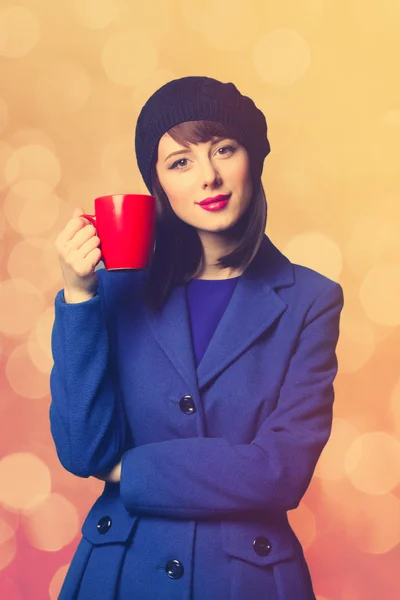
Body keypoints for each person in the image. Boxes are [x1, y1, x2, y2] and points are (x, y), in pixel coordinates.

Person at [50, 75, 344, 600]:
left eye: (223, 150)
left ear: (251, 158)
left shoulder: (311, 300)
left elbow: (281, 470)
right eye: (180, 162)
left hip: (243, 580)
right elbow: (82, 451)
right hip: (117, 576)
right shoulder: (114, 290)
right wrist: (78, 296)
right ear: (158, 184)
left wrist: (128, 469)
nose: (208, 176)